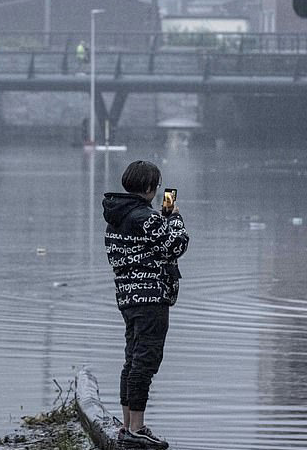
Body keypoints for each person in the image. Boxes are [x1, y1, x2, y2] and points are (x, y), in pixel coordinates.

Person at [103, 160, 189, 449]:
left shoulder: (115, 216)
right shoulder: (145, 217)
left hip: (128, 298)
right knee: (146, 361)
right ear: (151, 187)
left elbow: (146, 248)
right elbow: (177, 245)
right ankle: (137, 430)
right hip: (151, 298)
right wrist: (174, 217)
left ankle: (127, 426)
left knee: (132, 360)